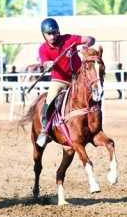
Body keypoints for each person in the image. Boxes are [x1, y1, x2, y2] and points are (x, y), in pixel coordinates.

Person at [36, 17, 95, 147]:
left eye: (54, 33)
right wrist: (48, 64)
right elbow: (45, 63)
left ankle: (95, 124)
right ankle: (45, 131)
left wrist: (88, 43)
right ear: (44, 35)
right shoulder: (43, 49)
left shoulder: (69, 39)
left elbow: (89, 38)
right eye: (49, 34)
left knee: (94, 93)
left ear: (58, 31)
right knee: (50, 100)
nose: (52, 36)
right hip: (60, 80)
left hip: (78, 79)